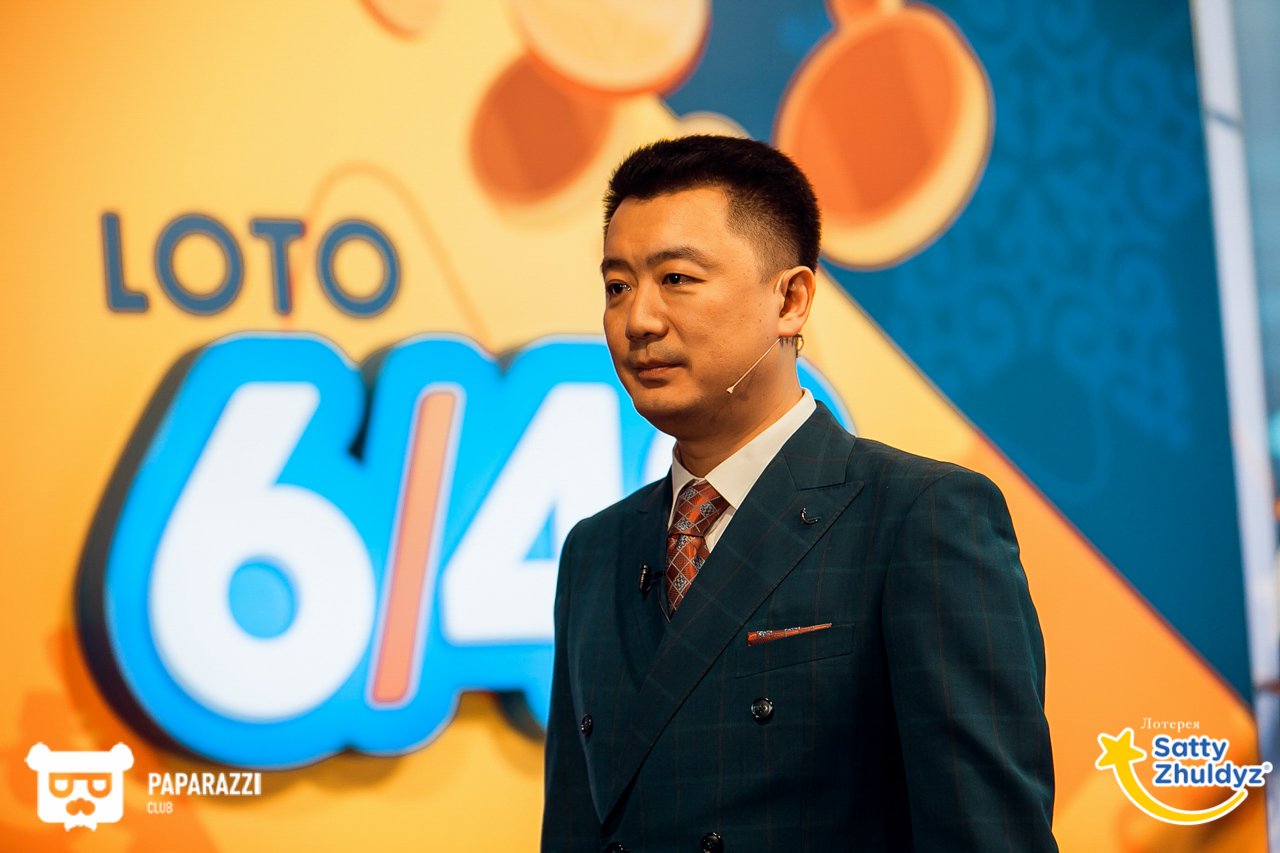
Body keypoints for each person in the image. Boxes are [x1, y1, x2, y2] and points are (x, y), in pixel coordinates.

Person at [541, 134, 1056, 852]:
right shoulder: (594, 550)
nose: (638, 321)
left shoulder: (920, 516)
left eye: (677, 278)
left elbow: (987, 834)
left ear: (790, 299)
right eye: (618, 286)